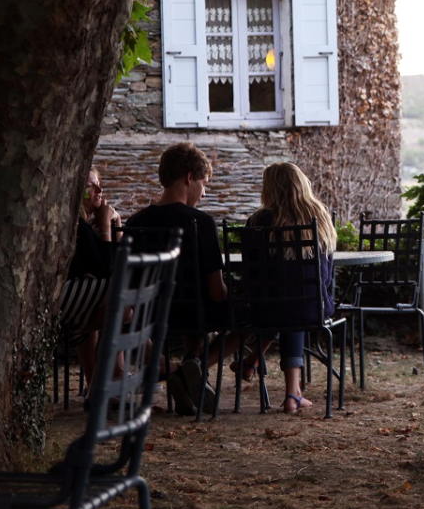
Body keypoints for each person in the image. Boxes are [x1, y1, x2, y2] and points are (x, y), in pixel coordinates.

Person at [127, 142, 227, 416]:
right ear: (189, 177)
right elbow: (216, 293)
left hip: (149, 315)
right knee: (249, 315)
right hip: (193, 314)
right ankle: (192, 366)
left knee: (194, 310)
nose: (203, 193)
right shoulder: (201, 222)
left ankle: (186, 373)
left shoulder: (136, 224)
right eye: (203, 183)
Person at [240, 162, 337, 413]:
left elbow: (250, 273)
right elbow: (327, 274)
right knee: (296, 302)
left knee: (284, 303)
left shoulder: (258, 221)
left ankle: (254, 364)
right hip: (313, 306)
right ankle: (292, 395)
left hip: (267, 309)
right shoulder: (319, 217)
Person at [59, 168, 121, 392]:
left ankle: (97, 385)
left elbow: (110, 265)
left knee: (110, 304)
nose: (99, 190)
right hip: (63, 298)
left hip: (73, 297)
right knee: (124, 300)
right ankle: (157, 367)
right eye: (90, 186)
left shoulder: (83, 226)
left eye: (98, 184)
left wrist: (117, 223)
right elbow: (109, 272)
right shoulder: (78, 225)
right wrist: (106, 226)